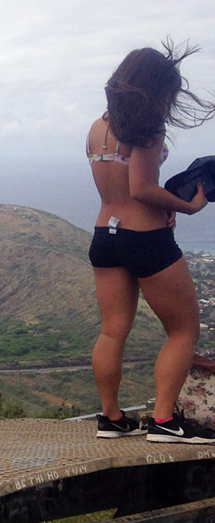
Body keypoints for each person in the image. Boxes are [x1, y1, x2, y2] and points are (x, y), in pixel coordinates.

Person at [87, 40, 215, 443]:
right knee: (183, 329)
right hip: (145, 238)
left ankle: (111, 418)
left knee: (112, 331)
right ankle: (163, 421)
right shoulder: (146, 130)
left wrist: (165, 204)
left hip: (105, 234)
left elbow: (120, 188)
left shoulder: (97, 126)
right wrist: (188, 205)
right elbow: (142, 188)